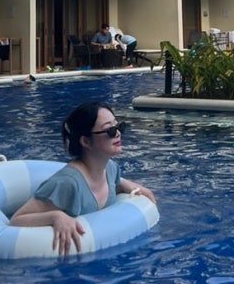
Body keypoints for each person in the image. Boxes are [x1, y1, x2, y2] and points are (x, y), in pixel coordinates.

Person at [10, 101, 156, 254]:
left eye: (119, 126)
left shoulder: (110, 169)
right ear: (86, 142)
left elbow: (115, 184)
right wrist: (56, 216)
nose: (118, 133)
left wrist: (129, 185)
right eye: (110, 130)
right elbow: (16, 220)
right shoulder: (67, 183)